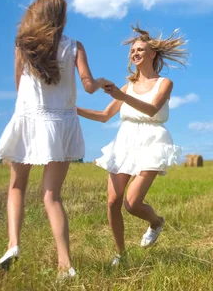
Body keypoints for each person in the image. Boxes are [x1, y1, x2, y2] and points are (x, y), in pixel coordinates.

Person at [0, 0, 109, 278]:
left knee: (17, 185)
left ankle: (13, 244)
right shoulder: (75, 47)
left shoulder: (23, 45)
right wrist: (102, 83)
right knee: (52, 196)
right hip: (60, 123)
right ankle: (65, 264)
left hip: (29, 118)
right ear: (62, 18)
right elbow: (89, 85)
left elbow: (18, 85)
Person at [77, 25, 187, 266]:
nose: (134, 53)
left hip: (152, 141)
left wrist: (121, 95)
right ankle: (120, 254)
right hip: (124, 142)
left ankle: (156, 222)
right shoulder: (127, 87)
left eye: (140, 49)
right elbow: (104, 116)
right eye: (132, 50)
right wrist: (72, 109)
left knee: (132, 203)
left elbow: (151, 110)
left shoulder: (164, 83)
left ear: (153, 54)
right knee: (113, 201)